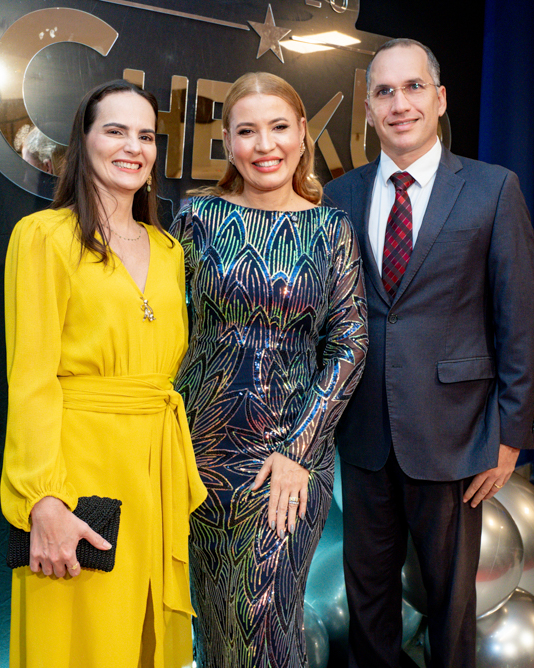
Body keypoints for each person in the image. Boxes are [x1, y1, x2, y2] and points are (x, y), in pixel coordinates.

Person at [323, 39, 534, 668]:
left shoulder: (491, 189)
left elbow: (520, 319)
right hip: (363, 433)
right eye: (385, 92)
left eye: (414, 87)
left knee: (452, 601)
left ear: (440, 99)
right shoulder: (339, 196)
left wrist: (509, 435)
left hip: (454, 433)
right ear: (368, 110)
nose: (400, 104)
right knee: (368, 595)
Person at [0, 80, 206, 668]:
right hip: (77, 478)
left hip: (155, 478)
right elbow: (31, 379)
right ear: (83, 140)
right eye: (114, 130)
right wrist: (44, 502)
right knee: (75, 647)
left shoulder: (171, 251)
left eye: (146, 135)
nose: (133, 147)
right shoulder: (44, 237)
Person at [171, 72, 368, 667]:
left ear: (304, 133)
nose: (266, 146)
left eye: (279, 128)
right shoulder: (195, 218)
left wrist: (298, 450)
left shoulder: (330, 229)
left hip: (288, 464)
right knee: (214, 625)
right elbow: (161, 327)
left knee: (267, 628)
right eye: (247, 131)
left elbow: (350, 342)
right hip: (196, 457)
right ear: (227, 141)